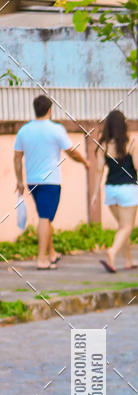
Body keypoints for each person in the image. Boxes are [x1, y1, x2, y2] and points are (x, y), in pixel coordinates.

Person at [13, 95, 89, 270]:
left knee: (44, 217)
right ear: (49, 110)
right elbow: (71, 152)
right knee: (44, 217)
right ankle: (41, 259)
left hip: (32, 182)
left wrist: (19, 180)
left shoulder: (24, 130)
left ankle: (52, 254)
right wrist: (85, 162)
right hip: (51, 182)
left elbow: (17, 157)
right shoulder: (56, 129)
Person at [96, 110, 138, 273]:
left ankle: (128, 260)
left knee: (122, 226)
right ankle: (112, 252)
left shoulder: (102, 145)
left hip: (110, 190)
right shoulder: (131, 142)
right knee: (127, 226)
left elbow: (98, 170)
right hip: (128, 189)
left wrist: (95, 194)